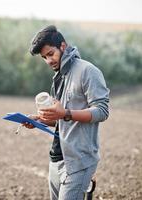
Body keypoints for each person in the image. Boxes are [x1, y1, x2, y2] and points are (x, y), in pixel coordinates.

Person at [24, 25, 110, 200]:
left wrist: (64, 113)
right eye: (44, 57)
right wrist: (38, 121)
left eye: (50, 54)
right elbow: (61, 119)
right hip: (56, 159)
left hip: (78, 161)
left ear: (63, 46)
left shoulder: (87, 71)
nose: (48, 61)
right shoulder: (58, 77)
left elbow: (102, 111)